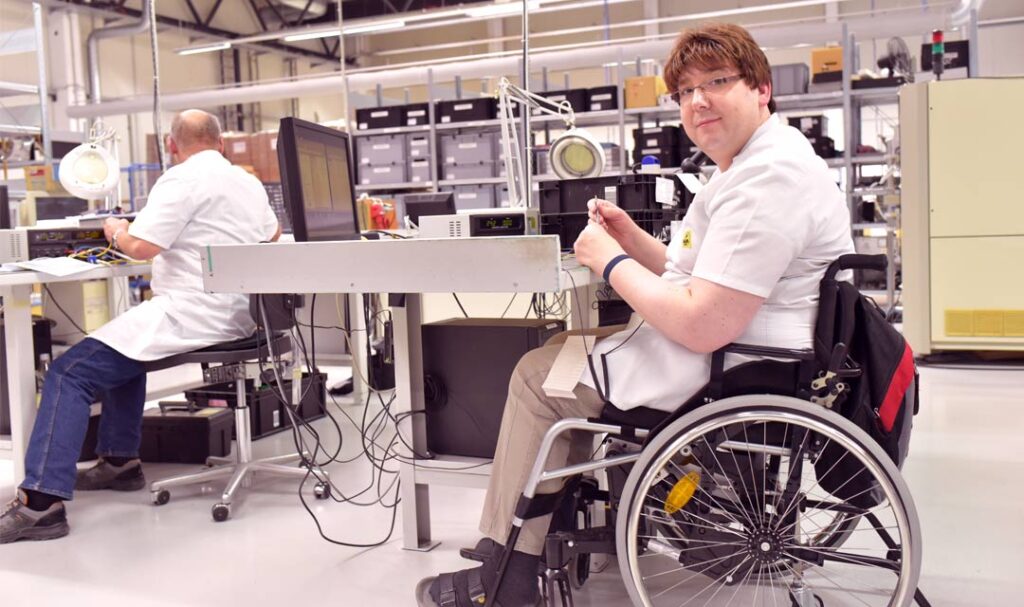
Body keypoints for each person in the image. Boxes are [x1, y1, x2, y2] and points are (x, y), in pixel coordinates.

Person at [415, 23, 855, 607]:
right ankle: (522, 534)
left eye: (717, 82)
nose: (698, 102)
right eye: (685, 92)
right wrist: (636, 242)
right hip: (740, 344)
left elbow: (704, 322)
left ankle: (507, 576)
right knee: (565, 346)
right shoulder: (754, 164)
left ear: (761, 89)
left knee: (536, 377)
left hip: (730, 361)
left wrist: (611, 261)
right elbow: (696, 269)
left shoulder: (765, 181)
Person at [0, 109, 281, 544]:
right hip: (240, 315)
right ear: (221, 143)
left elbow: (141, 248)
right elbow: (273, 238)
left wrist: (116, 229)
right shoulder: (247, 181)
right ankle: (119, 462)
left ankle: (40, 504)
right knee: (125, 349)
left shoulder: (181, 179)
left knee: (68, 373)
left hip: (192, 314)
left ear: (172, 146)